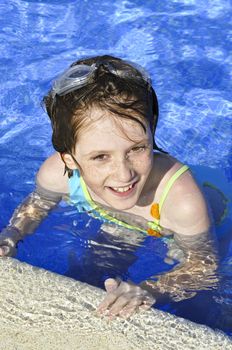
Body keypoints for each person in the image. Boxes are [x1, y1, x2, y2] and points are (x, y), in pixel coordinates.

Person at [0, 55, 219, 319]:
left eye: (137, 148)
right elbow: (38, 204)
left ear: (152, 133)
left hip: (196, 219)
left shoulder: (182, 201)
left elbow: (205, 267)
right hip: (125, 221)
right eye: (101, 157)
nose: (124, 174)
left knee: (204, 307)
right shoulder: (56, 175)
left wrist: (149, 288)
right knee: (88, 274)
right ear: (69, 159)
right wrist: (12, 233)